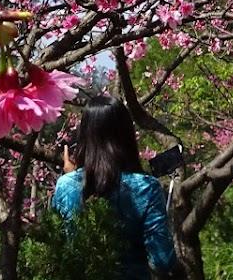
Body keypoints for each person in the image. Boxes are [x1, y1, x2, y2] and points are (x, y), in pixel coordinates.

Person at [53, 97, 180, 279]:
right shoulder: (146, 187)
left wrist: (71, 178)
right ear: (127, 135)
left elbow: (62, 247)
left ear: (85, 135)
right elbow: (162, 260)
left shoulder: (65, 186)